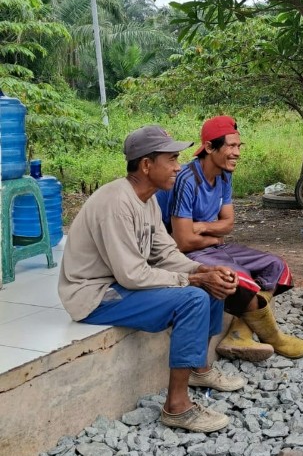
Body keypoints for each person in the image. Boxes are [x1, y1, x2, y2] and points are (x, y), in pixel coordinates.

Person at [58, 125, 247, 433]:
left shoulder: (148, 200)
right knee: (194, 297)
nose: (178, 167)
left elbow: (166, 254)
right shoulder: (116, 203)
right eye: (171, 159)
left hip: (121, 283)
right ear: (146, 165)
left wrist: (202, 272)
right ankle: (177, 408)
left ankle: (199, 368)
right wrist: (193, 282)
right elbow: (132, 274)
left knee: (211, 281)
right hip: (95, 295)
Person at [157, 115, 303, 361]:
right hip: (186, 252)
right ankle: (273, 337)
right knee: (239, 279)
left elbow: (228, 223)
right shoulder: (187, 180)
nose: (237, 152)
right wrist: (214, 238)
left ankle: (239, 332)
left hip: (209, 245)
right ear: (209, 147)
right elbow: (183, 241)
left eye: (239, 146)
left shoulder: (225, 175)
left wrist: (205, 227)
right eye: (230, 146)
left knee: (277, 267)